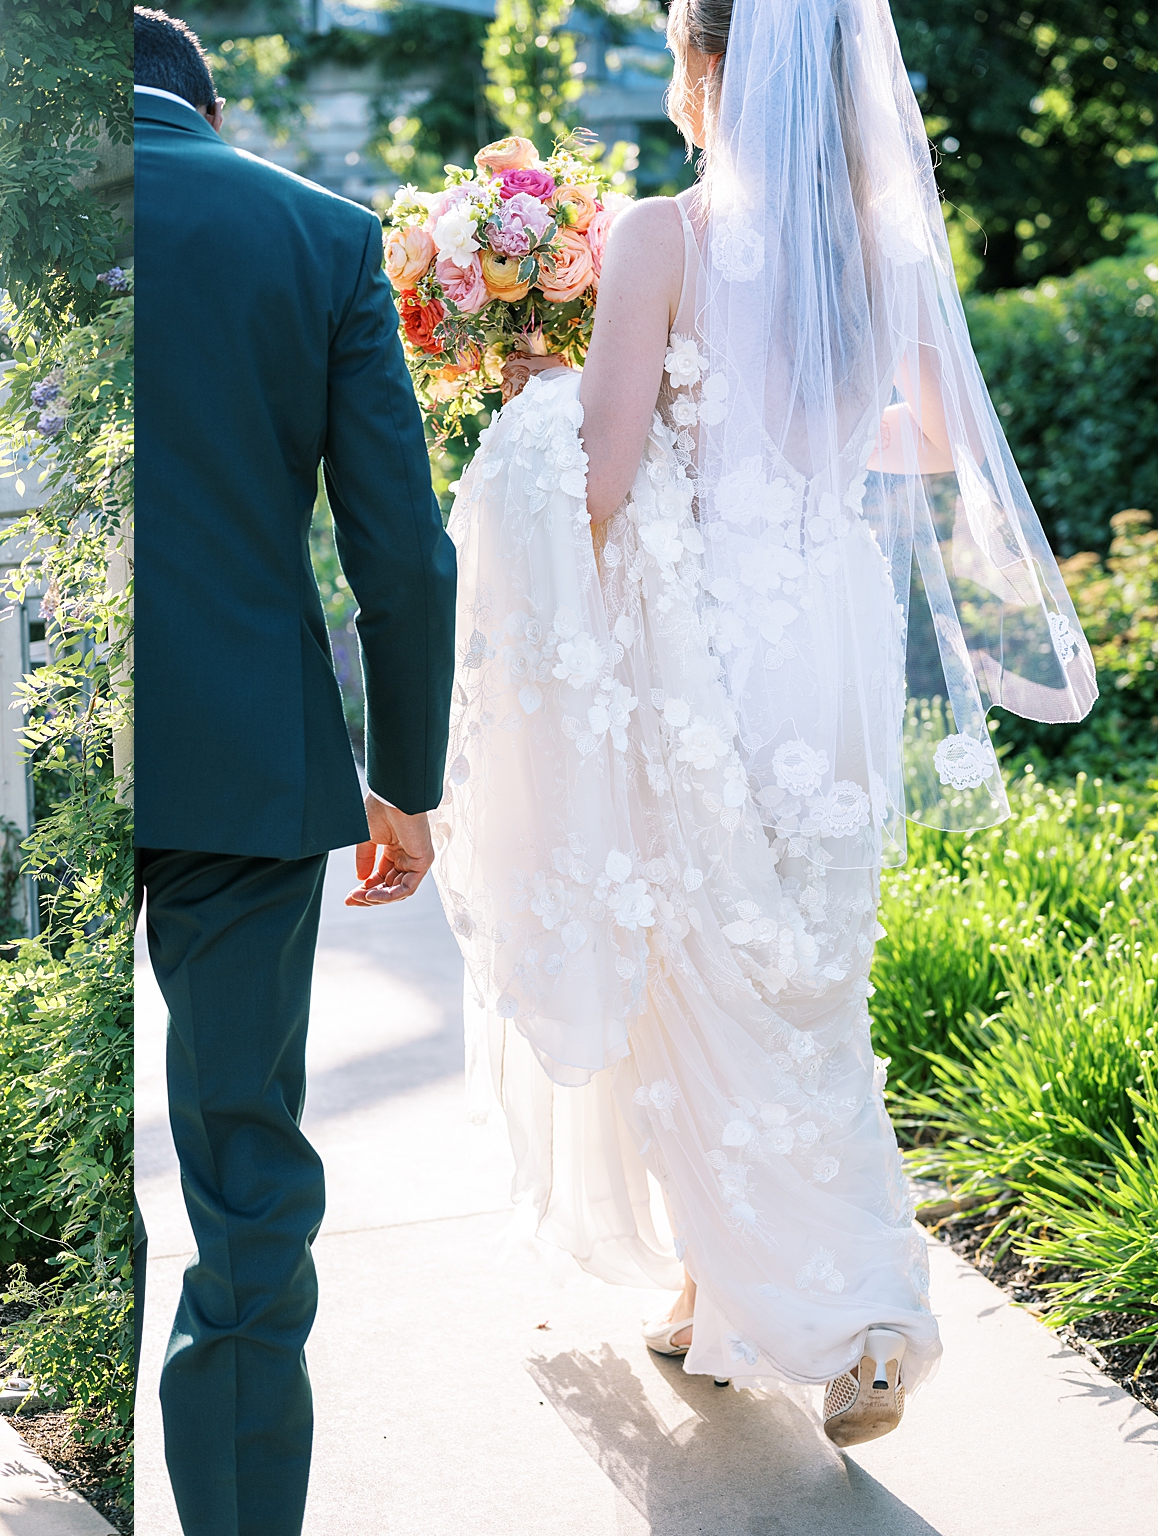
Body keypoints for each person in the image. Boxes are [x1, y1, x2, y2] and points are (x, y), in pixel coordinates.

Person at [431, 0, 1096, 1447]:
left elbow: (599, 475)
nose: (674, 71)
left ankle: (837, 1305)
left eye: (680, 44)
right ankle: (747, 1292)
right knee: (809, 980)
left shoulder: (662, 239)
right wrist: (793, 434)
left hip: (709, 640)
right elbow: (920, 440)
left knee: (702, 966)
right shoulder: (874, 251)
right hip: (834, 636)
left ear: (719, 64)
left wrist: (533, 415)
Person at [134, 8, 457, 1532]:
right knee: (241, 1165)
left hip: (37, 755)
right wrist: (404, 776)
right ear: (205, 100)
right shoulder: (320, 234)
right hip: (243, 769)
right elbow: (400, 550)